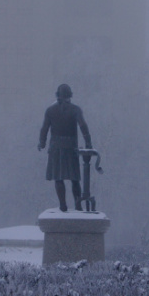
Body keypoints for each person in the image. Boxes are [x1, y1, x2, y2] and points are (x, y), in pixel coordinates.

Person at [37, 84, 93, 212]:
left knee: (58, 177)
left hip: (56, 145)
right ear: (70, 96)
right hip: (71, 146)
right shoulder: (75, 110)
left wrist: (42, 142)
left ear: (58, 95)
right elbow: (83, 125)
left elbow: (44, 128)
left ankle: (63, 205)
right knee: (74, 178)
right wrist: (88, 142)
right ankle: (78, 204)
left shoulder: (50, 111)